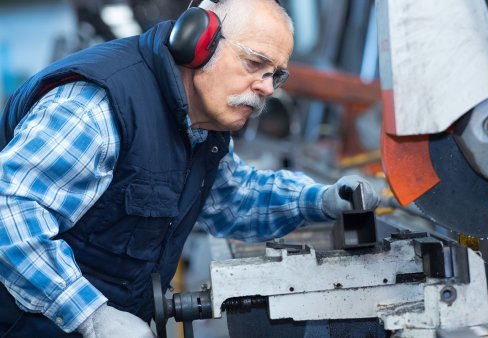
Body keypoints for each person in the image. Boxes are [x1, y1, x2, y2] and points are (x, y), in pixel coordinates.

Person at [0, 0, 379, 337]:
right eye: (255, 63)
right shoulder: (99, 105)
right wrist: (92, 316)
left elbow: (233, 198)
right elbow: (10, 212)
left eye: (275, 74)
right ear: (199, 42)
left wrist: (323, 200)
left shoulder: (201, 126)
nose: (266, 87)